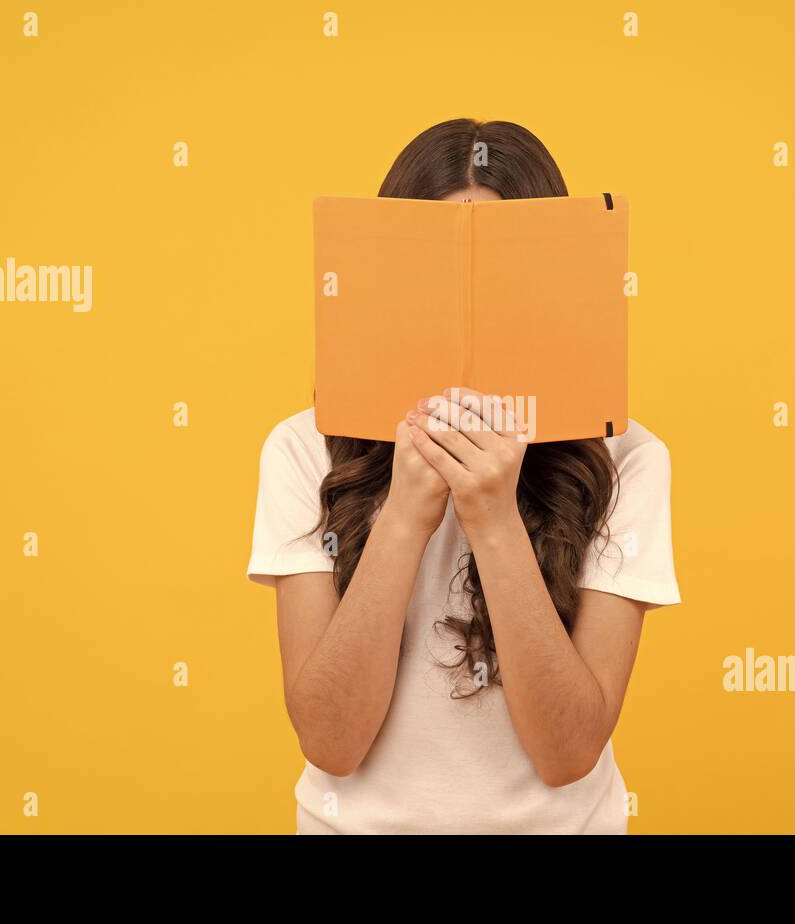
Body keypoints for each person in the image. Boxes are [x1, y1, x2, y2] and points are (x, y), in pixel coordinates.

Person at [247, 118, 680, 834]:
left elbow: (568, 750)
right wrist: (407, 514)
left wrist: (493, 518)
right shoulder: (302, 450)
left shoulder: (629, 460)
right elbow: (330, 741)